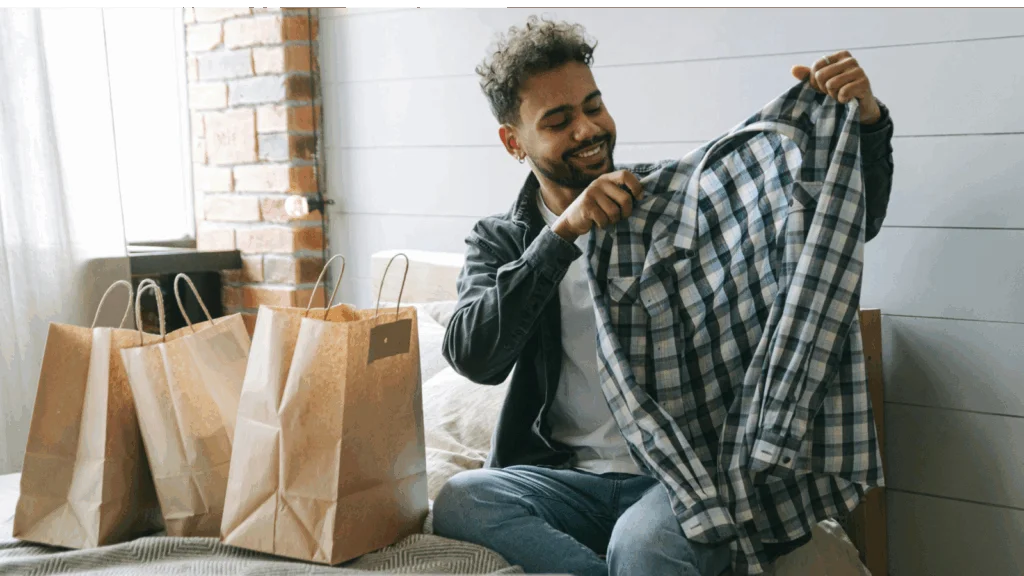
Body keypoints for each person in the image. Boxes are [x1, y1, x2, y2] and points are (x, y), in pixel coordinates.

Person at [432, 15, 895, 576]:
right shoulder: (504, 240)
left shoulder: (668, 208)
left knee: (644, 547)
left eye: (593, 107)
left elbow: (839, 223)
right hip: (565, 479)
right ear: (514, 142)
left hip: (677, 476)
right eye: (558, 120)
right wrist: (562, 235)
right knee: (462, 498)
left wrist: (865, 123)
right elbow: (474, 355)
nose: (586, 129)